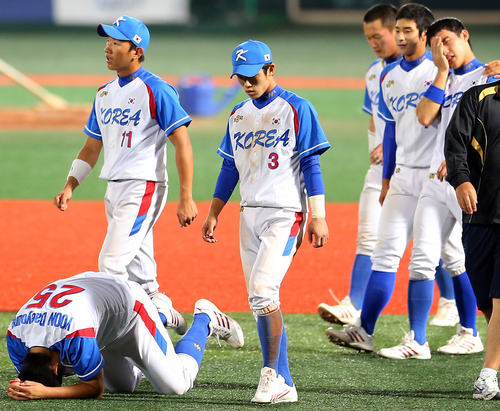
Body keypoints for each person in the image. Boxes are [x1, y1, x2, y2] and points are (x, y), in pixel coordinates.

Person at [326, 3, 465, 354]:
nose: (400, 38)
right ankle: (365, 331)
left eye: (407, 32)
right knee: (384, 254)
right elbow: (388, 131)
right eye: (397, 31)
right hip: (403, 176)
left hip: (439, 178)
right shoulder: (387, 76)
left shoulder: (443, 69)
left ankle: (468, 330)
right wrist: (387, 178)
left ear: (424, 35)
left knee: (453, 257)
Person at [201, 40, 330, 404]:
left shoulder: (297, 108)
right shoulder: (238, 114)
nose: (245, 82)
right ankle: (284, 382)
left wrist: (318, 217)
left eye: (252, 75)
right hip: (249, 214)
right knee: (263, 298)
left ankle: (271, 375)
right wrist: (214, 211)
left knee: (261, 292)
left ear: (271, 70)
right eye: (239, 77)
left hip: (285, 213)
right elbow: (230, 166)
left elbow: (311, 165)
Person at [53, 16, 198, 334]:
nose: (107, 48)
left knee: (112, 264)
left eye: (115, 43)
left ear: (136, 50)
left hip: (143, 186)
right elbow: (92, 146)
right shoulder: (104, 93)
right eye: (106, 41)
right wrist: (70, 184)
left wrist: (186, 197)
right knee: (141, 276)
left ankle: (118, 339)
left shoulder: (157, 90)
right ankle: (161, 308)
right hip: (115, 189)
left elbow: (182, 143)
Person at [376, 17, 500, 359]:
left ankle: (470, 332)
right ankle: (417, 340)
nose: (443, 51)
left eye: (447, 41)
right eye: (436, 46)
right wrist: (443, 73)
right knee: (421, 260)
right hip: (435, 180)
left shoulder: (488, 74)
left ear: (464, 35)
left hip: (470, 185)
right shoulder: (439, 76)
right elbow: (425, 116)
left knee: (469, 262)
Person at [6, 271, 244, 400]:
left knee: (176, 385)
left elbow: (94, 388)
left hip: (129, 310)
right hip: (94, 308)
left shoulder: (75, 335)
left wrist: (47, 392)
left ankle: (204, 319)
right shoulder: (15, 339)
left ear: (55, 369)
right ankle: (160, 313)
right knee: (123, 387)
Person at [445, 78, 500, 399]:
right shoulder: (478, 98)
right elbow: (455, 144)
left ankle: (488, 374)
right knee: (485, 298)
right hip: (479, 214)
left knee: (499, 294)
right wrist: (461, 181)